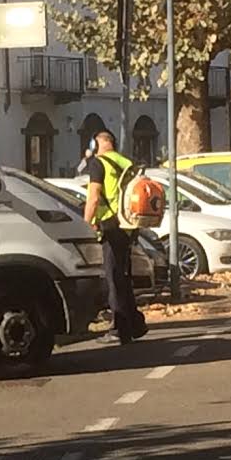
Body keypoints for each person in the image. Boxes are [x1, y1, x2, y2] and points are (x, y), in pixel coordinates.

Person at [83, 129, 147, 345]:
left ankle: (119, 329)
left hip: (110, 226)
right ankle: (135, 324)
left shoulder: (98, 163)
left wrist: (86, 223)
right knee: (123, 277)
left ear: (96, 144)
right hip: (128, 225)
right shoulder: (126, 163)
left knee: (113, 279)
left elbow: (93, 197)